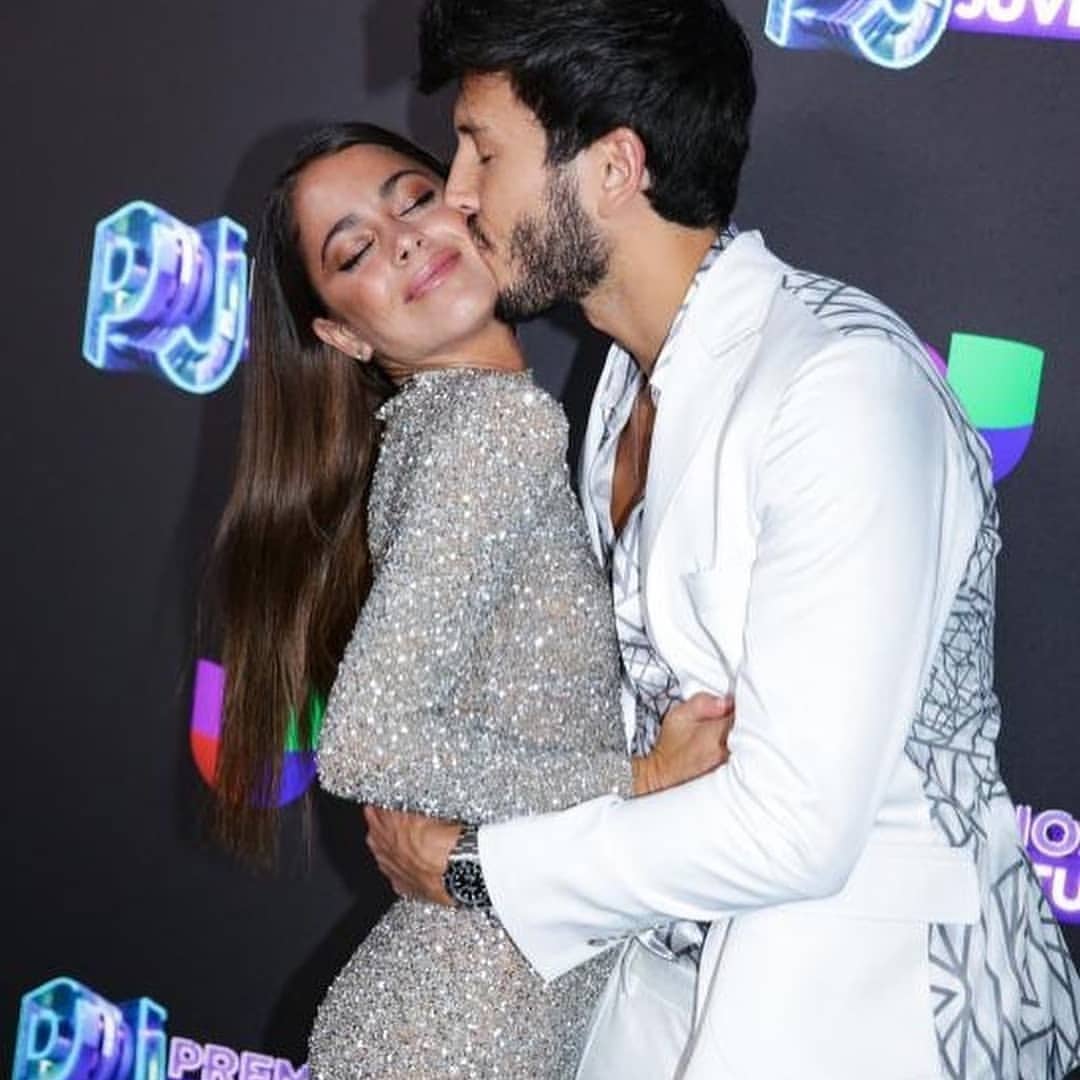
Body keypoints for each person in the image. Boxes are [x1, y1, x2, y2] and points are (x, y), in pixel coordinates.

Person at [362, 2, 1080, 1076]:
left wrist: (478, 867)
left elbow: (795, 826)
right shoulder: (621, 383)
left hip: (877, 1016)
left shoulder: (838, 385)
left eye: (484, 150)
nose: (457, 193)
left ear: (614, 167)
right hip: (661, 1000)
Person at [208, 122, 732, 1079]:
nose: (405, 240)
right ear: (342, 334)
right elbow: (368, 741)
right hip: (451, 1036)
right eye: (356, 252)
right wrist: (639, 779)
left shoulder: (447, 426)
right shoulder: (492, 430)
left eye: (413, 199)